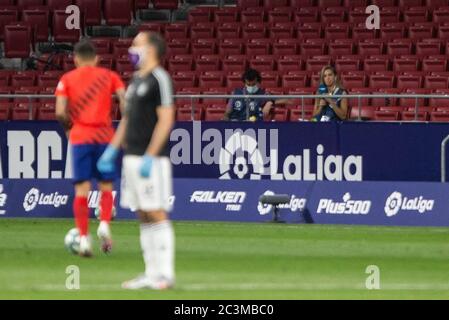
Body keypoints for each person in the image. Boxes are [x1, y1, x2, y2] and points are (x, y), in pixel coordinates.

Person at [97, 32, 176, 290]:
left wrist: (150, 156)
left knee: (155, 211)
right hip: (131, 158)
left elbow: (166, 119)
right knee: (142, 214)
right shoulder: (135, 80)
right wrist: (112, 150)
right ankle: (150, 273)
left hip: (150, 158)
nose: (131, 48)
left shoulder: (159, 79)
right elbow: (128, 120)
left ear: (151, 49)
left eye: (136, 44)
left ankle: (165, 274)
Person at [55, 40, 126, 257]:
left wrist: (70, 129)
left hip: (81, 136)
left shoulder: (66, 79)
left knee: (81, 190)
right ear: (96, 59)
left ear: (75, 59)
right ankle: (104, 222)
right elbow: (125, 103)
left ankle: (84, 239)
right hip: (105, 136)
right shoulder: (110, 76)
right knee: (106, 185)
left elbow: (59, 112)